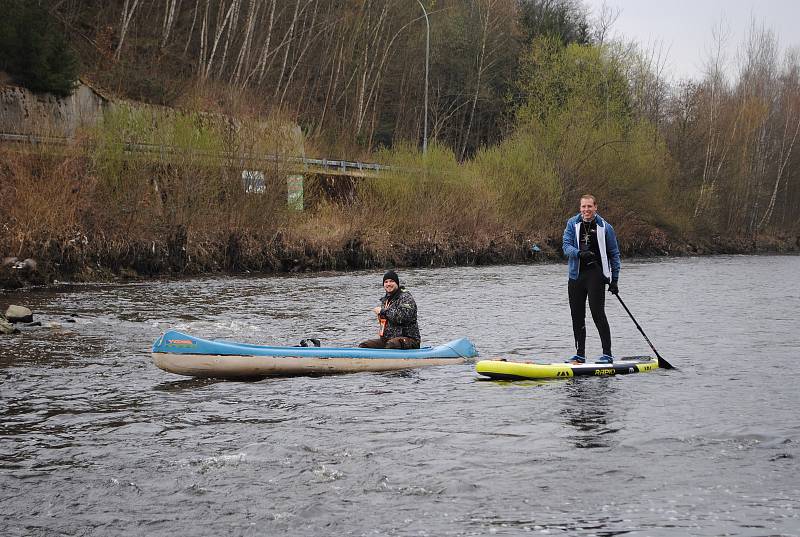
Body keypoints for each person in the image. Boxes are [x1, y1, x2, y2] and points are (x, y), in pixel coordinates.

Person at [562, 194, 621, 364]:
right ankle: (580, 354)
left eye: (589, 207)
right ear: (580, 208)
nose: (586, 210)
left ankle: (607, 354)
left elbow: (614, 254)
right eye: (583, 207)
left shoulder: (605, 227)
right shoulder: (572, 223)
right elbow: (566, 247)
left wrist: (614, 280)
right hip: (576, 275)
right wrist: (579, 253)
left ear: (595, 207)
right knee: (577, 315)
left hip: (596, 275)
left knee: (597, 313)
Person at [358, 270, 421, 349]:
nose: (388, 284)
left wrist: (382, 311)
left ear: (397, 283)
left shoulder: (406, 298)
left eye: (391, 281)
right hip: (388, 340)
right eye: (386, 282)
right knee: (364, 345)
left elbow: (402, 318)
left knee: (391, 345)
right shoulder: (385, 300)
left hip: (409, 339)